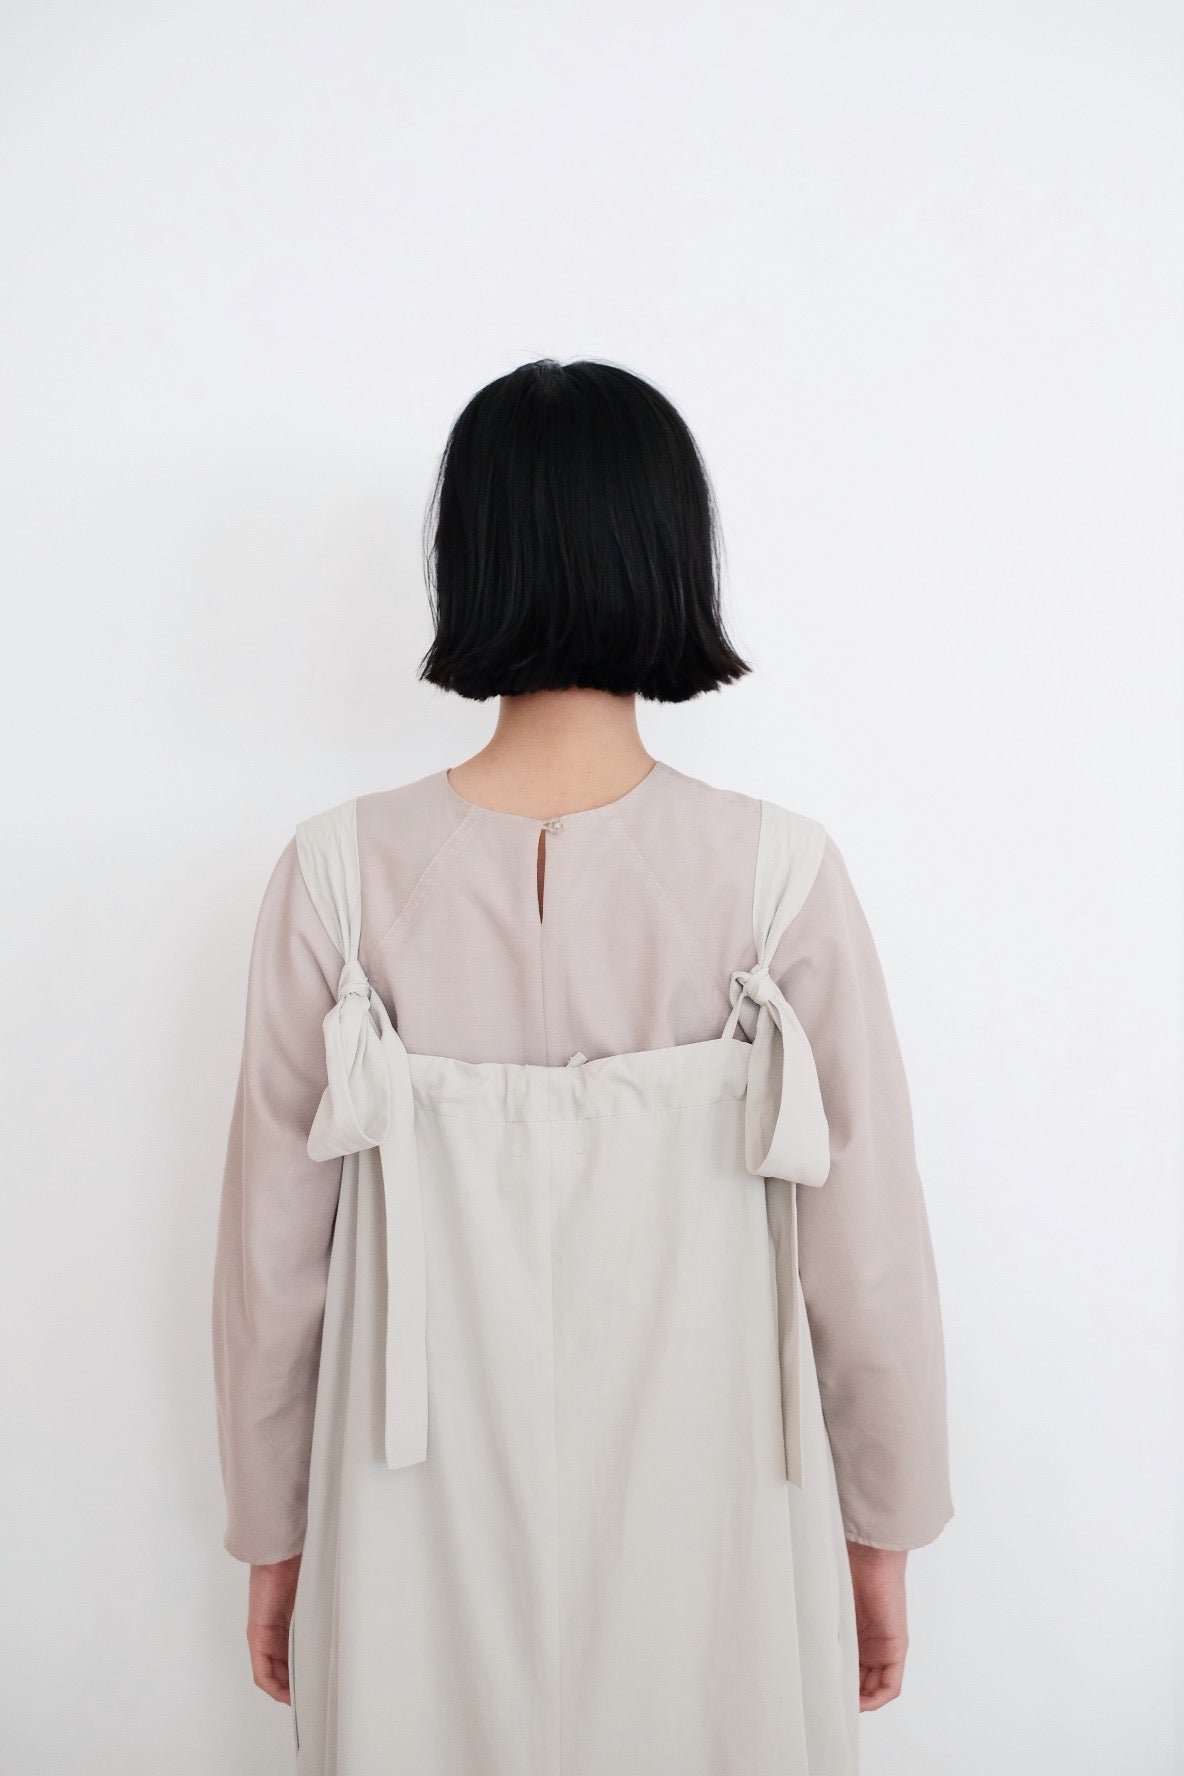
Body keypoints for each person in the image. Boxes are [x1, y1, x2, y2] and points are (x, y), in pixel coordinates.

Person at [211, 358, 953, 1774]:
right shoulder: (780, 881)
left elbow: (270, 1267)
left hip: (404, 1513)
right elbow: (867, 1262)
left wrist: (272, 1534)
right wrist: (884, 1533)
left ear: (466, 560)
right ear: (671, 554)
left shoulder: (335, 881)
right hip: (720, 1518)